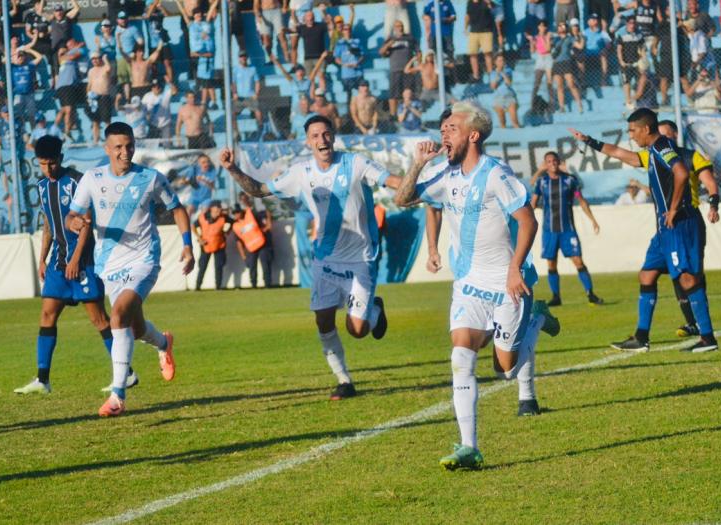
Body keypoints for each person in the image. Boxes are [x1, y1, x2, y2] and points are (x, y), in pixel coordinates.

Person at [392, 101, 559, 470]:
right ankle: (470, 447)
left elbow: (528, 221)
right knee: (460, 357)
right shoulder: (444, 174)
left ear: (473, 135)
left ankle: (534, 321)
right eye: (442, 129)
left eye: (451, 128)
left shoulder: (496, 173)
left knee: (506, 369)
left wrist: (516, 269)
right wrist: (418, 163)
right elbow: (402, 198)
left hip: (506, 284)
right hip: (467, 284)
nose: (443, 134)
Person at [219, 115, 402, 400]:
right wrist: (232, 169)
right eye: (315, 136)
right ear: (308, 141)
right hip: (325, 260)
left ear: (334, 136)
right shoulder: (301, 172)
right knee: (323, 322)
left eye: (326, 134)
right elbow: (258, 190)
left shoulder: (356, 164)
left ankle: (373, 311)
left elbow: (392, 181)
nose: (322, 140)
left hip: (360, 259)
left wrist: (418, 183)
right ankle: (344, 381)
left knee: (357, 330)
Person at [66, 122, 194, 416]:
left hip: (144, 259)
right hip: (109, 263)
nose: (125, 152)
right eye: (119, 147)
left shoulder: (150, 178)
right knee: (134, 329)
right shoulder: (92, 178)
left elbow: (176, 208)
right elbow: (73, 215)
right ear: (107, 149)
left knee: (119, 313)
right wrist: (73, 222)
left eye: (130, 146)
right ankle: (163, 342)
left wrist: (188, 245)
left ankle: (117, 395)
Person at [570, 108, 718, 353]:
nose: (631, 135)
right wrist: (589, 141)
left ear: (646, 129)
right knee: (647, 275)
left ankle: (707, 337)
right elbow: (620, 153)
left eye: (632, 130)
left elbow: (681, 174)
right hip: (663, 229)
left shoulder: (662, 148)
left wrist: (672, 209)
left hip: (679, 223)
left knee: (687, 278)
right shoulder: (653, 152)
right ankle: (641, 337)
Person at [14, 136, 129, 395]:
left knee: (99, 319)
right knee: (46, 315)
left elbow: (86, 222)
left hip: (84, 262)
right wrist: (42, 259)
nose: (48, 169)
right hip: (58, 262)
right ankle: (43, 380)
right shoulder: (42, 186)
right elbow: (48, 224)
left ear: (61, 159)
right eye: (43, 164)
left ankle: (126, 373)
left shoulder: (78, 181)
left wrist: (76, 259)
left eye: (52, 163)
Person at [658, 119, 721, 339]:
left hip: (689, 220)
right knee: (676, 273)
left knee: (694, 273)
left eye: (665, 135)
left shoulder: (691, 156)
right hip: (667, 224)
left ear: (675, 135)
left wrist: (713, 206)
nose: (662, 140)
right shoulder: (656, 159)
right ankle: (691, 322)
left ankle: (702, 322)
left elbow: (711, 184)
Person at [530, 151, 603, 306]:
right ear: (546, 164)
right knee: (551, 263)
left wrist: (593, 220)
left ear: (559, 162)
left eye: (554, 161)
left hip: (568, 230)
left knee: (578, 260)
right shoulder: (542, 182)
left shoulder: (570, 181)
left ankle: (590, 294)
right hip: (549, 230)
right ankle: (556, 297)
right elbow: (533, 202)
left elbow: (581, 200)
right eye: (548, 161)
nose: (552, 164)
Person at [234, 193, 274, 288]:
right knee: (252, 266)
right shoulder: (236, 225)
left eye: (238, 212)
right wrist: (243, 255)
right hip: (251, 246)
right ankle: (253, 285)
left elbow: (267, 214)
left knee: (265, 264)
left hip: (261, 242)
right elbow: (238, 241)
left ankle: (268, 284)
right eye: (235, 213)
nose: (237, 214)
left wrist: (268, 225)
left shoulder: (252, 214)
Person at [379, 20, 417, 115]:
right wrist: (389, 44)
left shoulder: (409, 38)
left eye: (401, 26)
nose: (400, 28)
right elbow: (381, 52)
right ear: (394, 28)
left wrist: (417, 65)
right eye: (397, 26)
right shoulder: (390, 39)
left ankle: (409, 114)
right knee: (393, 95)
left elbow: (418, 52)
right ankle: (393, 115)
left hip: (408, 70)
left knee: (408, 93)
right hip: (395, 69)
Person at [194, 200, 231, 290]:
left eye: (220, 208)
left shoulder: (224, 217)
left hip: (219, 245)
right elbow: (193, 226)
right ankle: (197, 286)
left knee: (218, 267)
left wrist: (227, 232)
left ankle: (218, 287)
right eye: (217, 207)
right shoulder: (202, 217)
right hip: (206, 246)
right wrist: (199, 238)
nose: (219, 209)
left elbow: (232, 222)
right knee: (202, 266)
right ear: (212, 208)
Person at [85, 51, 113, 145]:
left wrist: (105, 59)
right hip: (93, 98)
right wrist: (87, 96)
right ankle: (95, 141)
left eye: (97, 58)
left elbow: (109, 68)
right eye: (93, 59)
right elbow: (89, 84)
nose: (95, 60)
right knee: (95, 121)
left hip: (104, 96)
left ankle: (109, 140)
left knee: (107, 120)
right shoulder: (91, 71)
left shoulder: (105, 67)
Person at [465, 0, 496, 82]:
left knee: (487, 53)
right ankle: (476, 76)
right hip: (473, 31)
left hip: (486, 31)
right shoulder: (469, 3)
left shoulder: (485, 2)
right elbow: (467, 15)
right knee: (472, 54)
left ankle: (490, 75)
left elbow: (493, 8)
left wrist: (489, 3)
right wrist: (465, 27)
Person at [232, 52, 263, 132]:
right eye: (241, 56)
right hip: (240, 97)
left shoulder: (253, 69)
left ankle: (260, 129)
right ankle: (236, 132)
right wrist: (234, 93)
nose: (243, 58)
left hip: (250, 96)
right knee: (232, 114)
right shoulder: (235, 70)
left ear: (247, 58)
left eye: (245, 56)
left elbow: (257, 82)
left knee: (258, 111)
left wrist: (256, 93)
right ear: (239, 58)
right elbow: (233, 83)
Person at [490, 53, 520, 128]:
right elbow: (493, 87)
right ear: (495, 62)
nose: (501, 62)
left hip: (509, 96)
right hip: (499, 98)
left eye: (502, 60)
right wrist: (497, 74)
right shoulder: (493, 73)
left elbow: (508, 83)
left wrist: (502, 73)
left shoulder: (508, 71)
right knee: (502, 122)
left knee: (514, 121)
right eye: (499, 61)